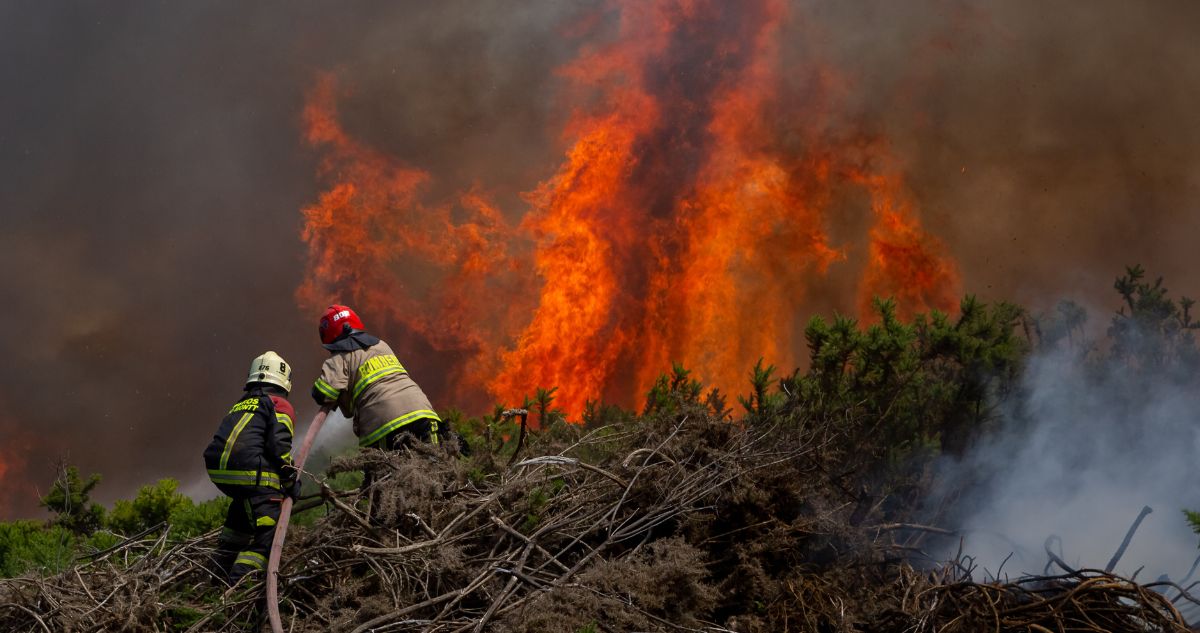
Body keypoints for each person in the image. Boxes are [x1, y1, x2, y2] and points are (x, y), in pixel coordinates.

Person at [202, 351, 299, 584]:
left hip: (222, 474)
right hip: (249, 475)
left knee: (239, 526)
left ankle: (214, 579)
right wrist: (289, 482)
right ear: (284, 380)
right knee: (268, 537)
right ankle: (239, 588)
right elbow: (279, 449)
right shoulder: (280, 404)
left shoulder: (241, 404)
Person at [310, 305, 450, 451]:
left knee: (388, 472)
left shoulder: (338, 359)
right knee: (436, 465)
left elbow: (323, 394)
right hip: (423, 413)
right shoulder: (382, 346)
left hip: (384, 425)